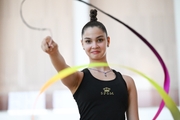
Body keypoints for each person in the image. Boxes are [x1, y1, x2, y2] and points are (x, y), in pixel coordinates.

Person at [41, 9, 139, 120]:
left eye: (100, 40)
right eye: (88, 41)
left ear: (108, 41)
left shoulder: (127, 82)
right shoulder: (78, 79)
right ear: (82, 44)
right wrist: (54, 53)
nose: (94, 45)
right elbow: (62, 68)